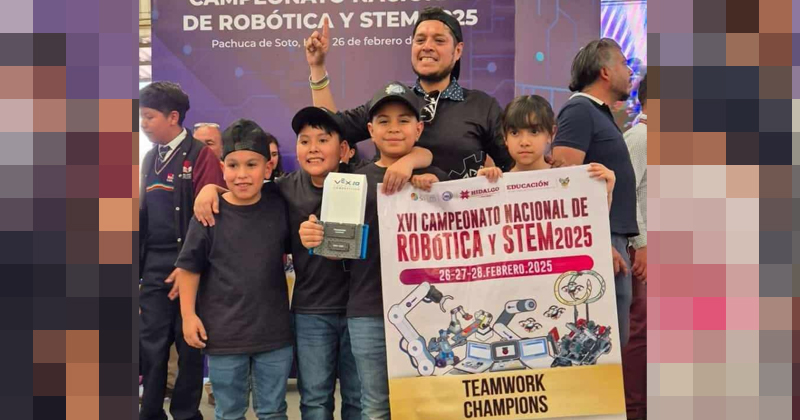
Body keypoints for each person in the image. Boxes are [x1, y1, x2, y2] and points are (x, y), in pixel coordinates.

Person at [192, 108, 434, 420]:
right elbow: (243, 191)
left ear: (343, 149)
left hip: (360, 310)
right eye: (304, 141)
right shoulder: (284, 189)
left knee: (357, 398)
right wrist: (211, 189)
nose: (313, 148)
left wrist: (412, 162)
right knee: (316, 399)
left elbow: (421, 156)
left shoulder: (362, 179)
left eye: (322, 140)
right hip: (312, 311)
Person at [300, 82, 448, 420]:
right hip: (367, 310)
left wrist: (434, 190)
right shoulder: (351, 182)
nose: (394, 128)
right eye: (383, 121)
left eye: (403, 120)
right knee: (375, 405)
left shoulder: (435, 177)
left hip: (428, 311)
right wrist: (316, 239)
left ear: (419, 129)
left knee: (429, 405)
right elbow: (336, 252)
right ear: (369, 130)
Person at [304, 6, 512, 179]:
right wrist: (317, 66)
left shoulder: (482, 106)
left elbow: (512, 164)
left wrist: (490, 180)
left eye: (439, 40)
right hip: (391, 213)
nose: (427, 47)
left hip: (460, 215)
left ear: (457, 51)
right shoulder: (390, 103)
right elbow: (330, 126)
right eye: (420, 40)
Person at [175, 119, 294, 420]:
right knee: (229, 412)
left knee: (273, 411)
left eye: (252, 165)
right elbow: (189, 268)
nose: (242, 174)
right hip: (224, 337)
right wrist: (188, 316)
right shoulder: (208, 214)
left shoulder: (279, 204)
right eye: (233, 165)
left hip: (274, 335)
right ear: (222, 167)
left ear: (268, 168)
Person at [139, 81, 224, 420]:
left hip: (190, 266)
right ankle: (150, 412)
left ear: (173, 117)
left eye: (149, 117)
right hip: (153, 267)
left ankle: (187, 413)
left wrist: (188, 267)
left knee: (189, 345)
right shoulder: (149, 158)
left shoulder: (201, 155)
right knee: (152, 344)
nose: (143, 124)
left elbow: (210, 219)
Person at [547, 38, 638, 347]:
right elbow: (563, 185)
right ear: (605, 72)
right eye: (624, 63)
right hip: (600, 242)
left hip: (611, 240)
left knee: (617, 343)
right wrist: (598, 243)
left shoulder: (596, 113)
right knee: (607, 348)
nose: (630, 71)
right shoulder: (579, 111)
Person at [477, 95, 616, 208]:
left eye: (534, 132)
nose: (524, 142)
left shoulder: (570, 181)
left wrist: (606, 193)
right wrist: (479, 189)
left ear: (551, 134)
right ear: (505, 137)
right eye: (514, 133)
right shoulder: (495, 185)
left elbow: (591, 225)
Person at [622, 73, 647, 420]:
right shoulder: (640, 137)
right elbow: (627, 195)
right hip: (643, 251)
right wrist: (641, 244)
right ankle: (634, 408)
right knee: (640, 330)